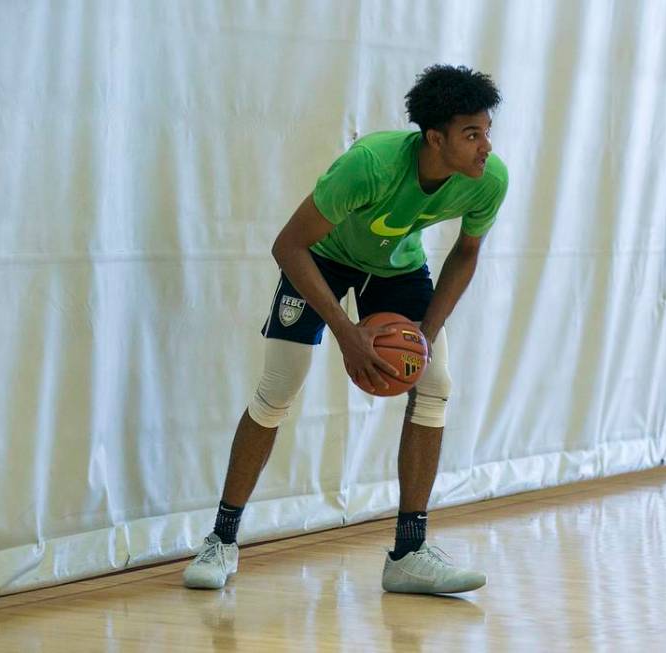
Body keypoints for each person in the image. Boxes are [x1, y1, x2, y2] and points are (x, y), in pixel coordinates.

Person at [184, 64, 509, 594]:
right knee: (277, 389)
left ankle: (409, 552)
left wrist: (426, 332)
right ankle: (221, 539)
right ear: (434, 138)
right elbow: (287, 245)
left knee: (436, 384)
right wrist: (345, 332)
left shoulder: (488, 180)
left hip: (397, 266)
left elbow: (466, 253)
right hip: (322, 258)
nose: (486, 147)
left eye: (487, 131)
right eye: (472, 134)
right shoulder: (370, 166)